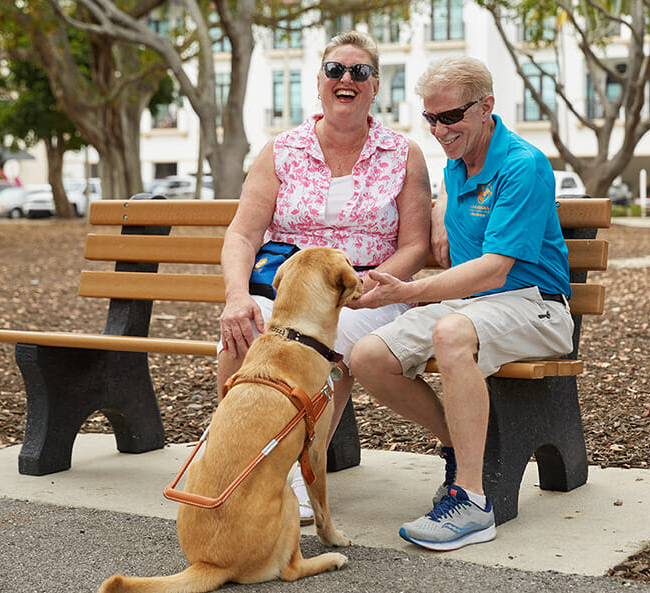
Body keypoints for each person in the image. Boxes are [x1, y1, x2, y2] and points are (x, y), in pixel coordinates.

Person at [349, 57, 575, 551]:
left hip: (536, 305)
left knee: (450, 332)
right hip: (476, 306)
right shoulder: (456, 163)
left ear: (486, 106)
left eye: (450, 117)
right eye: (430, 118)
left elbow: (496, 269)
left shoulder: (522, 164)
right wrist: (436, 210)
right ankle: (457, 446)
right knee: (367, 356)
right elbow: (460, 221)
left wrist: (408, 291)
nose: (439, 130)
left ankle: (472, 502)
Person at [216, 31, 432, 524]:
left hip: (366, 294)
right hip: (287, 289)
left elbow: (415, 247)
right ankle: (232, 457)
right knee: (240, 336)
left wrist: (373, 287)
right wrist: (235, 296)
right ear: (318, 82)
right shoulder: (282, 150)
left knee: (326, 351)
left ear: (375, 86)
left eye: (359, 72)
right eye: (335, 70)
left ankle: (291, 467)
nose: (346, 79)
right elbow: (242, 234)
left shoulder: (402, 154)